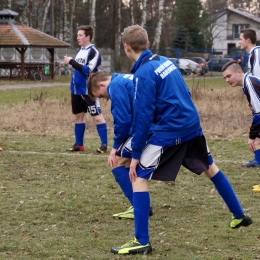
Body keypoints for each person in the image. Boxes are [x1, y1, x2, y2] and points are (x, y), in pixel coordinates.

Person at [109, 24, 252, 255]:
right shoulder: (165, 61)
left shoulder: (143, 74)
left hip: (171, 130)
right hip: (191, 124)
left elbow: (143, 117)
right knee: (210, 168)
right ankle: (240, 215)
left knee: (138, 177)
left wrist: (135, 156)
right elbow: (183, 93)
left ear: (126, 47)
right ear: (147, 43)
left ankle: (141, 241)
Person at [87, 71, 153, 219]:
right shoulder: (125, 78)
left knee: (116, 162)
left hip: (150, 127)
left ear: (101, 84)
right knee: (128, 162)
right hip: (156, 122)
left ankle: (139, 207)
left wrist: (115, 146)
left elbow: (123, 121)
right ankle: (141, 204)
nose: (105, 98)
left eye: (101, 96)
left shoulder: (115, 86)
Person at [63, 25, 108, 153]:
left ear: (88, 37)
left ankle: (104, 145)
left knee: (97, 117)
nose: (78, 38)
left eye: (80, 35)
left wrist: (72, 62)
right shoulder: (80, 51)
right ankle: (79, 144)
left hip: (89, 91)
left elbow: (88, 70)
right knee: (78, 116)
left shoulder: (93, 52)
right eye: (77, 35)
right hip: (76, 90)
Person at [222, 60, 260, 191]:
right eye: (225, 78)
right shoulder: (246, 83)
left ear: (239, 72)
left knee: (256, 140)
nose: (227, 80)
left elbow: (258, 114)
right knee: (257, 142)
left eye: (229, 76)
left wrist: (252, 135)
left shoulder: (250, 83)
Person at [239, 28, 260, 166]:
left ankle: (258, 160)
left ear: (248, 40)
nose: (238, 42)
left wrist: (255, 99)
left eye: (240, 39)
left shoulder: (256, 53)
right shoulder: (252, 54)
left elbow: (257, 80)